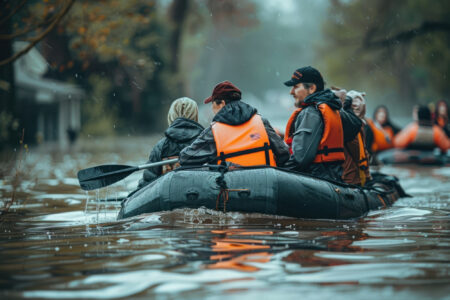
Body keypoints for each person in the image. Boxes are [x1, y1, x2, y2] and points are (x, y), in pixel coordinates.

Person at [179, 81, 289, 167]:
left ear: (221, 103)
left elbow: (186, 158)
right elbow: (283, 153)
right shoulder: (261, 122)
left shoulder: (214, 132)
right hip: (267, 186)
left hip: (231, 190)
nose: (212, 110)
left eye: (212, 105)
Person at [282, 66, 361, 182]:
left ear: (312, 88)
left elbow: (301, 157)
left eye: (296, 87)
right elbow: (354, 126)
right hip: (334, 177)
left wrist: (279, 171)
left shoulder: (311, 112)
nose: (291, 92)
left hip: (316, 178)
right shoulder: (335, 109)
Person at [136, 97, 204, 190]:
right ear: (195, 116)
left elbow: (148, 181)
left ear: (171, 116)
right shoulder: (206, 143)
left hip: (168, 198)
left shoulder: (161, 147)